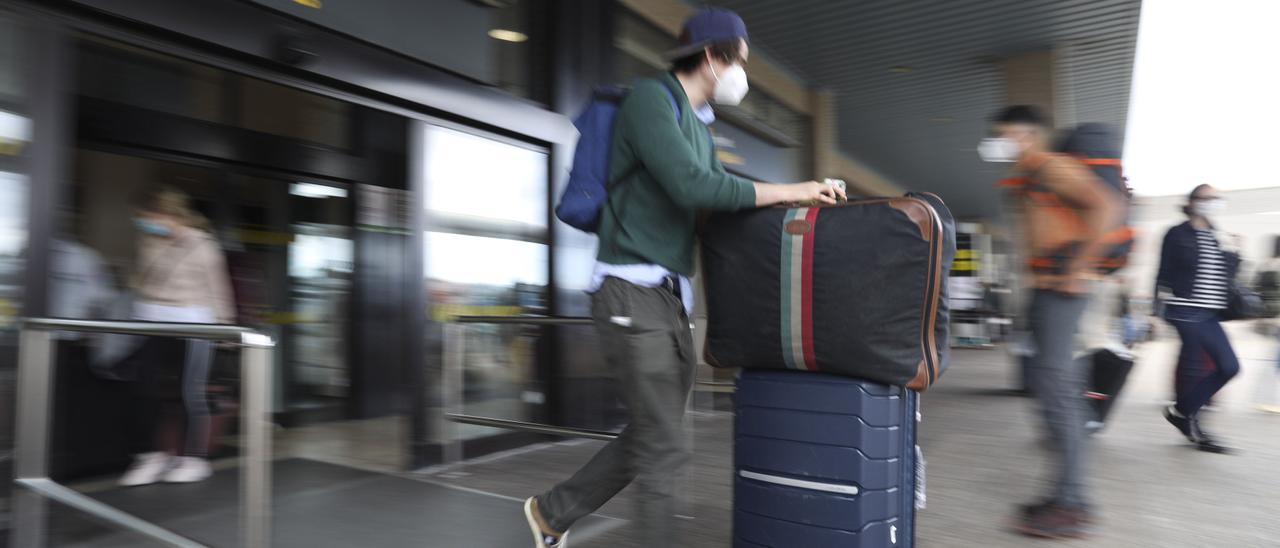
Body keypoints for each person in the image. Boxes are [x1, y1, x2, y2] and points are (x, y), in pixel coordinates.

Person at [523, 8, 844, 547]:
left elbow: (716, 197)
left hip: (671, 301)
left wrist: (795, 204)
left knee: (654, 435)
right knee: (666, 445)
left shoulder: (698, 125)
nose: (741, 74)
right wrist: (795, 188)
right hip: (629, 290)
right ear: (713, 57)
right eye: (739, 61)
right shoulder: (652, 101)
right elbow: (696, 188)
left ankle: (552, 513)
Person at [983, 105, 1124, 538]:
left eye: (1005, 135)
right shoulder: (1029, 175)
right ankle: (1065, 494)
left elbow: (1106, 207)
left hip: (1063, 292)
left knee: (1059, 394)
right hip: (1049, 292)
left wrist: (1077, 268)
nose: (999, 144)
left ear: (1026, 135)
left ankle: (1073, 504)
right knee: (1057, 393)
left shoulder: (1050, 167)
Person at [118, 186, 236, 486]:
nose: (144, 221)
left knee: (189, 392)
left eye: (149, 216)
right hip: (151, 320)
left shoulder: (203, 246)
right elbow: (142, 280)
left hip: (192, 322)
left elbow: (218, 288)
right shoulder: (147, 240)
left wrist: (225, 326)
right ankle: (151, 456)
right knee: (143, 387)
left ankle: (193, 459)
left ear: (169, 214)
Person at [1154, 184, 1240, 451]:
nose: (1212, 202)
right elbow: (1163, 272)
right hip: (1185, 309)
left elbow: (1228, 277)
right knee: (1192, 368)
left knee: (1230, 367)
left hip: (1211, 313)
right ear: (1192, 202)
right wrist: (1154, 311)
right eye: (1207, 198)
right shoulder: (1177, 234)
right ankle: (1193, 426)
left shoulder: (1218, 235)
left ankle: (1181, 412)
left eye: (1216, 198)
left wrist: (1235, 253)